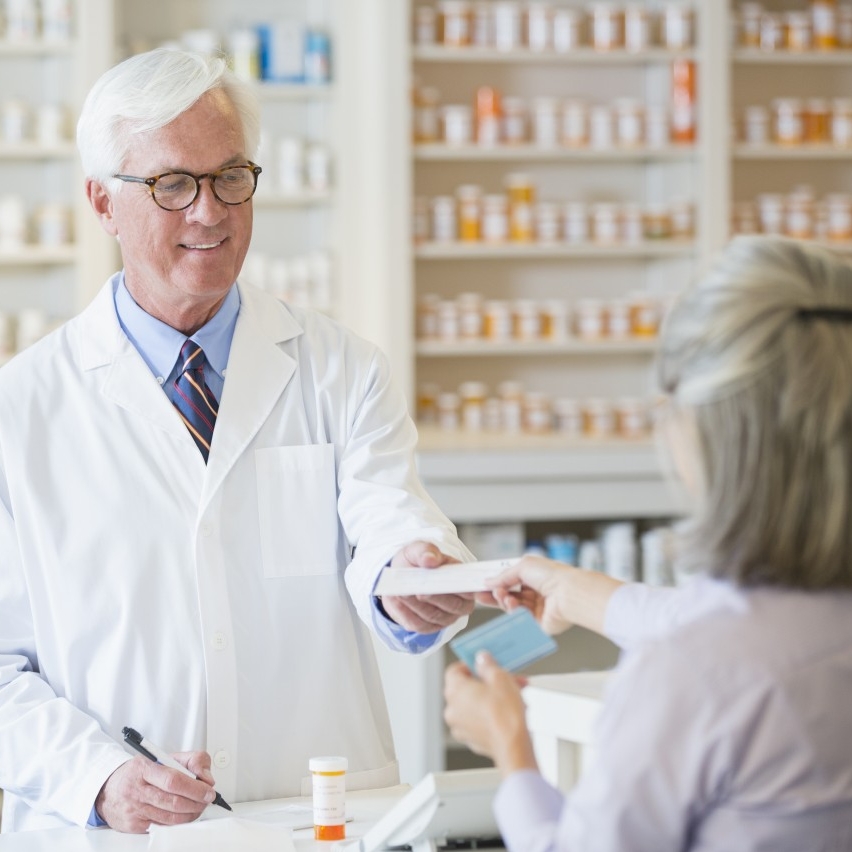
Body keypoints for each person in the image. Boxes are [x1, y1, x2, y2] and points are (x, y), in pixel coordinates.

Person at [0, 47, 478, 834]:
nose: (210, 212)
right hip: (117, 834)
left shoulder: (341, 371)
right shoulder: (23, 409)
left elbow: (390, 522)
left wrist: (413, 573)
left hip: (314, 813)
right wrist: (97, 777)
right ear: (100, 201)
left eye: (230, 177)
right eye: (172, 184)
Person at [444, 235, 852, 851]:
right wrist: (578, 594)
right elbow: (732, 624)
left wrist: (513, 751)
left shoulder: (688, 675)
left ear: (707, 432)